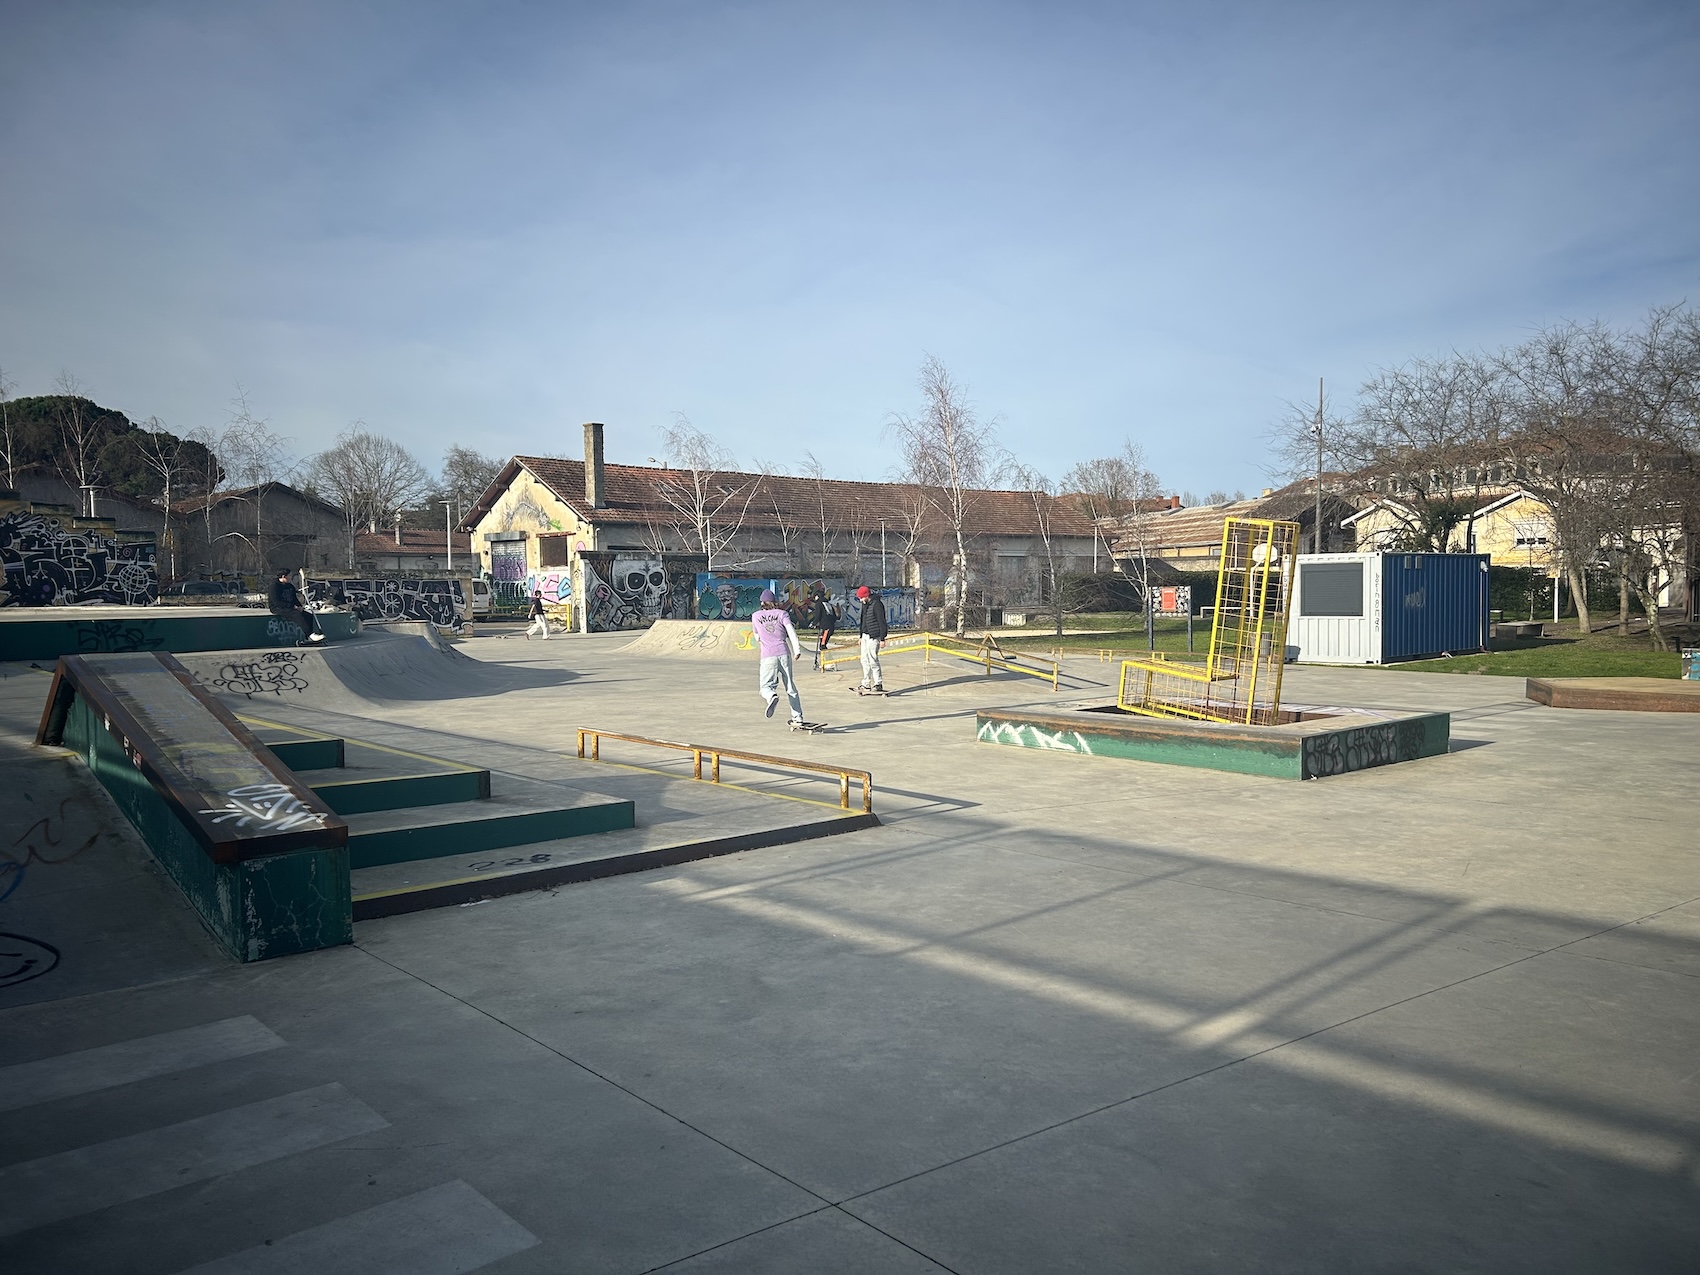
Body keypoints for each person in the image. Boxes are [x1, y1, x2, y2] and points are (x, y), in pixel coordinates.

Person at [751, 587, 806, 726]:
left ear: (762, 602)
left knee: (765, 687)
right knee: (790, 687)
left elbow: (757, 637)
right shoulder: (782, 614)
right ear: (774, 602)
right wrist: (797, 650)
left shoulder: (755, 616)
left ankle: (772, 696)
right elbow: (791, 632)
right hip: (784, 653)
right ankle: (797, 717)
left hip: (768, 656)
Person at [268, 569, 324, 645]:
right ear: (284, 576)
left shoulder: (290, 586)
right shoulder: (274, 586)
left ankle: (308, 636)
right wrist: (293, 607)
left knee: (308, 615)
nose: (291, 578)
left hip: (291, 606)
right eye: (290, 576)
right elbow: (276, 601)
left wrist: (300, 607)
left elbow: (294, 599)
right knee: (296, 615)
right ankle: (310, 634)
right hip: (277, 607)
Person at [856, 584, 886, 694]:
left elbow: (882, 621)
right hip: (865, 636)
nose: (860, 600)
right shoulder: (865, 605)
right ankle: (866, 683)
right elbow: (863, 621)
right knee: (864, 659)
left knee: (873, 659)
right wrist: (860, 636)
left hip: (874, 636)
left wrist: (882, 638)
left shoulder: (877, 604)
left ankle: (878, 683)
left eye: (861, 598)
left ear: (866, 596)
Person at [810, 587, 838, 670]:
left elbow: (818, 615)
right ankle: (827, 662)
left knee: (822, 645)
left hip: (826, 627)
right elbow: (832, 616)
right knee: (822, 645)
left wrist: (813, 623)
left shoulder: (819, 604)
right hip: (829, 626)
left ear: (817, 596)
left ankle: (830, 663)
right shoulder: (828, 604)